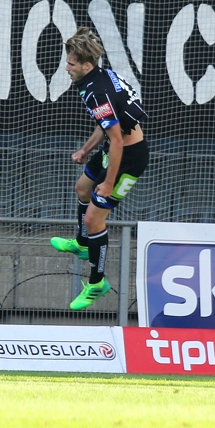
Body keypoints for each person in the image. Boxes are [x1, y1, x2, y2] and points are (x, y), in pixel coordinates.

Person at [50, 27, 149, 311]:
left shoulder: (96, 91)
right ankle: (82, 244)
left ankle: (97, 282)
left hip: (129, 158)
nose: (66, 68)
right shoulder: (99, 78)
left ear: (86, 65)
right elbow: (107, 125)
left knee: (95, 220)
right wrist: (86, 150)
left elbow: (118, 139)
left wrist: (108, 181)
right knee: (81, 188)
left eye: (70, 64)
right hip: (114, 148)